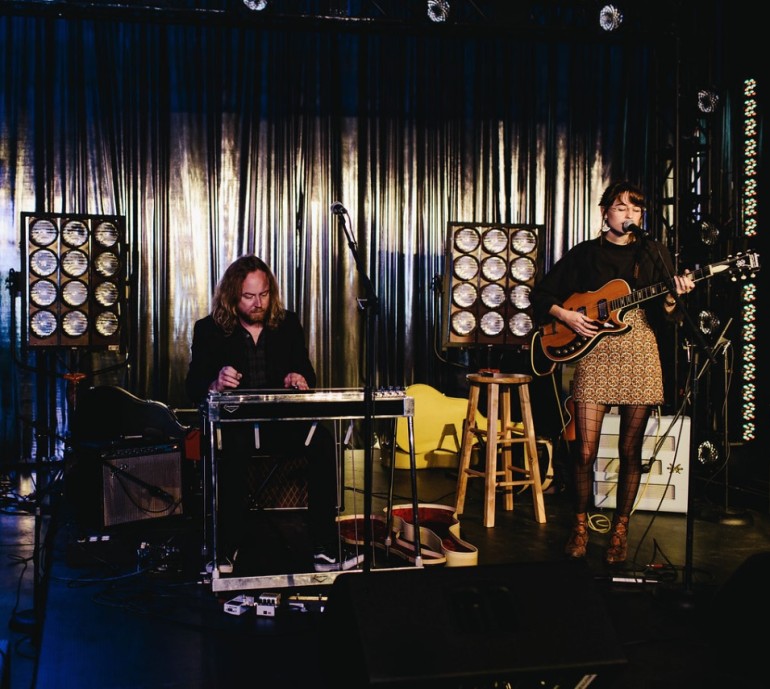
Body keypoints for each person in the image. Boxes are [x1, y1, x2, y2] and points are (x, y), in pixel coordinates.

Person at [530, 180, 696, 565]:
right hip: (595, 353)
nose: (629, 215)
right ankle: (579, 526)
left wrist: (673, 296)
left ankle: (620, 531)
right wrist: (566, 314)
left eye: (636, 209)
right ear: (605, 212)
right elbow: (542, 295)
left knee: (629, 451)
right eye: (621, 207)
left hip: (640, 351)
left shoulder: (654, 252)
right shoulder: (585, 254)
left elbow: (667, 314)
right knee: (584, 451)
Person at [185, 254, 363, 573]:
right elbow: (192, 386)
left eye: (264, 294)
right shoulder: (209, 330)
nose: (258, 304)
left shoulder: (287, 323)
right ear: (232, 296)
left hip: (279, 424)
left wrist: (299, 378)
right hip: (235, 427)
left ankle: (323, 548)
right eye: (249, 296)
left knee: (322, 441)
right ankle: (224, 550)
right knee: (228, 450)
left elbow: (308, 372)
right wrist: (214, 382)